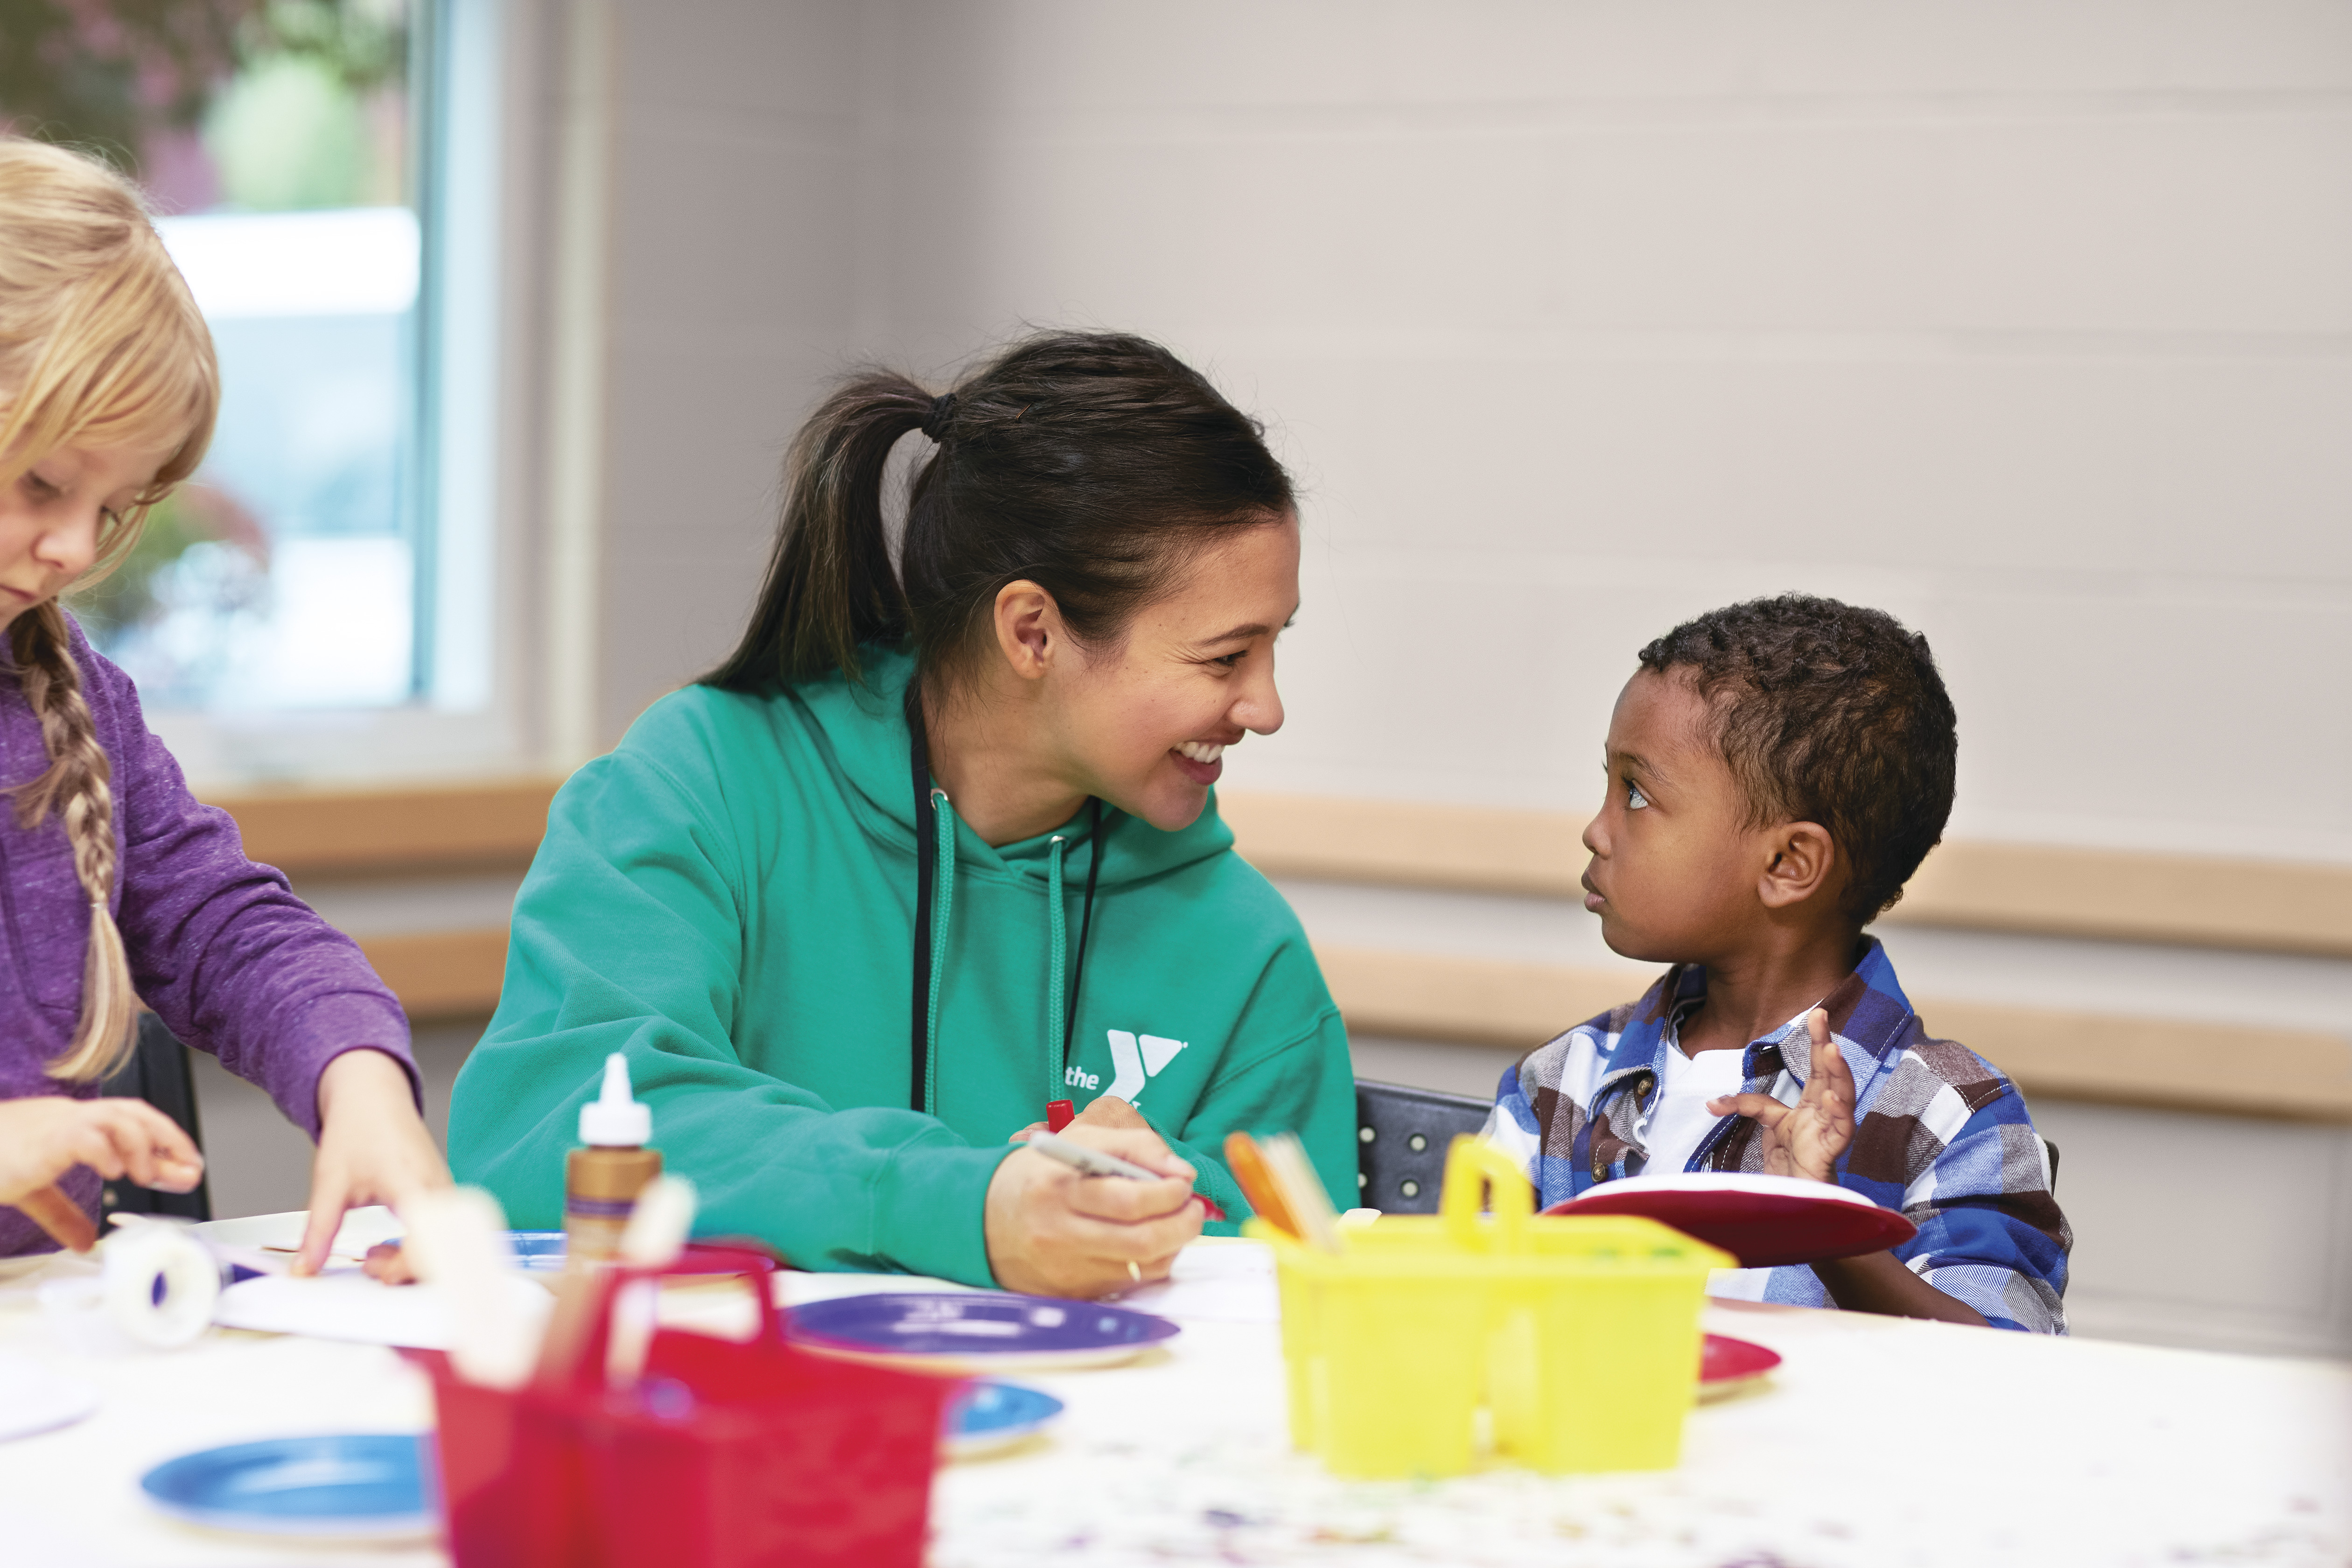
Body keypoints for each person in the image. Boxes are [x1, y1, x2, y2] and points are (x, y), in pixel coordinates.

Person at [449, 331, 1356, 1299]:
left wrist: (1153, 1210)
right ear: (1033, 632)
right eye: (1225, 658)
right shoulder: (699, 786)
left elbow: (1309, 1276)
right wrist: (950, 1201)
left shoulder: (1246, 953)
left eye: (1273, 648)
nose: (1267, 708)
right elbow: (546, 1130)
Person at [0, 137, 450, 1272]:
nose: (74, 548)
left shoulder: (71, 693)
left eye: (112, 509)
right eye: (44, 483)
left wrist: (358, 1078)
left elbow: (220, 925)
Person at [1483, 594, 2071, 1331]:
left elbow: (2009, 1364)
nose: (1596, 831)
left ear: (1789, 864)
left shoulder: (1954, 1116)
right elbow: (1464, 1308)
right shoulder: (1558, 1085)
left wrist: (1829, 1229)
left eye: (1635, 793)